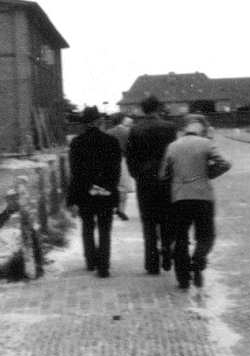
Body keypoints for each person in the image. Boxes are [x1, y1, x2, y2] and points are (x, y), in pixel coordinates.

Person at [160, 114, 231, 289]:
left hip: (179, 198)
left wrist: (176, 178)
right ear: (200, 130)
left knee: (181, 237)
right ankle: (198, 260)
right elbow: (224, 164)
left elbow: (163, 174)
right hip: (203, 196)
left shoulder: (172, 146)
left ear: (184, 130)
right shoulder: (206, 144)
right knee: (206, 236)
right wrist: (208, 174)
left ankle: (183, 279)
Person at [66, 106, 122, 278]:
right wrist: (110, 189)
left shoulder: (76, 143)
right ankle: (103, 266)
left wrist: (72, 197)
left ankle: (91, 261)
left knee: (88, 227)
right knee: (105, 229)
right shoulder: (111, 141)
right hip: (105, 190)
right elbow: (116, 170)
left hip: (85, 191)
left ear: (84, 124)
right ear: (99, 122)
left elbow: (75, 172)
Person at [126, 95, 178, 275]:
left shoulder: (135, 130)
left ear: (142, 109)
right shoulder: (170, 128)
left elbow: (130, 157)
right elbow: (174, 154)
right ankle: (166, 250)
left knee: (148, 221)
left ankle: (151, 262)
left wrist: (137, 175)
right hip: (166, 179)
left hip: (144, 179)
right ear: (158, 108)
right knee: (167, 217)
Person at [106, 115, 135, 220]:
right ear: (122, 121)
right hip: (122, 160)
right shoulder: (127, 132)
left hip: (109, 160)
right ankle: (121, 209)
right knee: (123, 187)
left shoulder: (108, 132)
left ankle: (111, 207)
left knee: (111, 185)